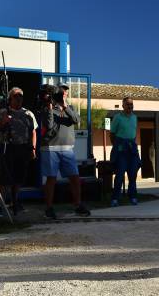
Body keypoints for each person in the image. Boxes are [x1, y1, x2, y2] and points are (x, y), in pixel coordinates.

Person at [40, 84, 91, 219]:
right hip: (50, 148)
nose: (64, 94)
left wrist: (65, 107)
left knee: (74, 177)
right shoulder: (46, 108)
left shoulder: (71, 108)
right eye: (62, 93)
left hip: (67, 149)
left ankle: (77, 205)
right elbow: (49, 126)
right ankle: (49, 208)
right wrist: (51, 109)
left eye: (66, 93)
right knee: (51, 179)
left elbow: (76, 120)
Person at [0, 87, 37, 216]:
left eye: (21, 95)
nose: (19, 98)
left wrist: (33, 148)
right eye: (16, 95)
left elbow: (33, 132)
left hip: (22, 148)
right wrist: (3, 123)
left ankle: (15, 201)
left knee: (19, 177)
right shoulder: (2, 113)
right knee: (5, 177)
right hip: (7, 148)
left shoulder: (28, 114)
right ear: (10, 98)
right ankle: (3, 204)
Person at [109, 97, 141, 207]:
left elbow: (134, 134)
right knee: (119, 175)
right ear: (123, 105)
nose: (130, 106)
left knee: (133, 175)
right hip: (121, 150)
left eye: (132, 104)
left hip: (132, 150)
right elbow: (112, 134)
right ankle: (115, 199)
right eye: (128, 104)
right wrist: (117, 146)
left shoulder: (134, 118)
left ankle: (132, 197)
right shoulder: (117, 117)